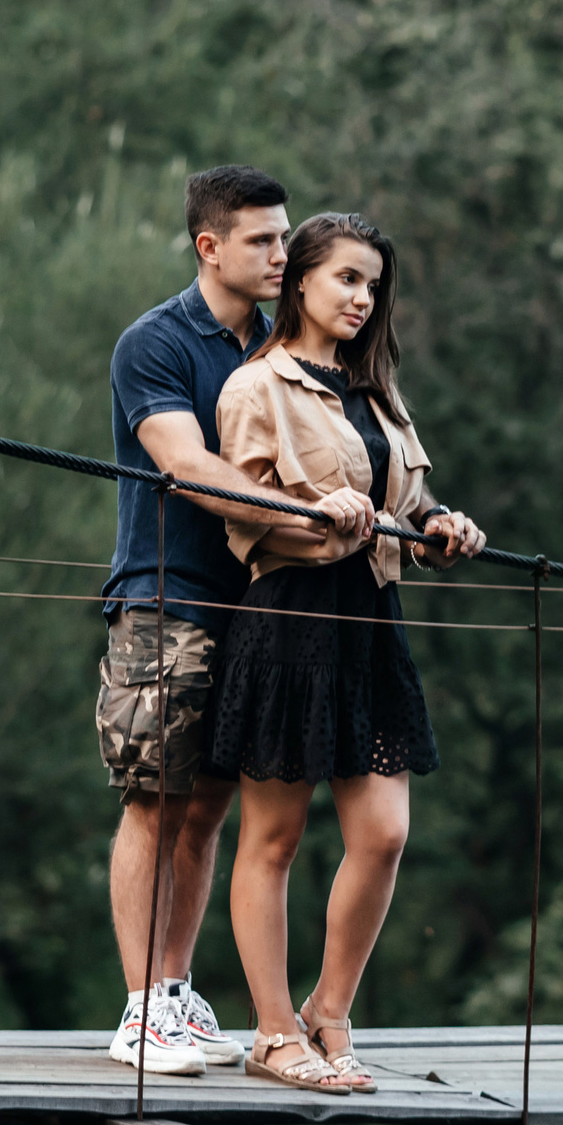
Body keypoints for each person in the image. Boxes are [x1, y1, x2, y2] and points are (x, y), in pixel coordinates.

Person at [94, 167, 380, 1075]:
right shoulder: (157, 343)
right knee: (156, 799)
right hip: (167, 596)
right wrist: (306, 510)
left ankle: (177, 994)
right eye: (261, 240)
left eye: (285, 237)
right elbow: (182, 461)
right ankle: (140, 1009)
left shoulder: (280, 346)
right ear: (209, 246)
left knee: (211, 808)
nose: (281, 253)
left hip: (263, 607)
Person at [207, 212, 485, 1092]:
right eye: (347, 280)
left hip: (372, 620)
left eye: (373, 285)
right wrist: (312, 510)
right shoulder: (257, 387)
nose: (364, 299)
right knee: (276, 837)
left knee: (385, 832)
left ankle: (331, 1012)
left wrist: (441, 526)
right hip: (289, 618)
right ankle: (275, 1033)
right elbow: (238, 511)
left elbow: (411, 496)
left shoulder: (379, 394)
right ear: (301, 283)